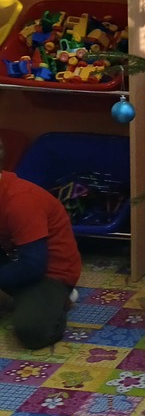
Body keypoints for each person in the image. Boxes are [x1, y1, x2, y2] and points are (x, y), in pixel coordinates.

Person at [0, 137, 81, 350]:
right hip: (11, 261)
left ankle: (57, 301)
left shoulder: (20, 201)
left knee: (32, 330)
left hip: (49, 273)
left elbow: (33, 265)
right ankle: (23, 299)